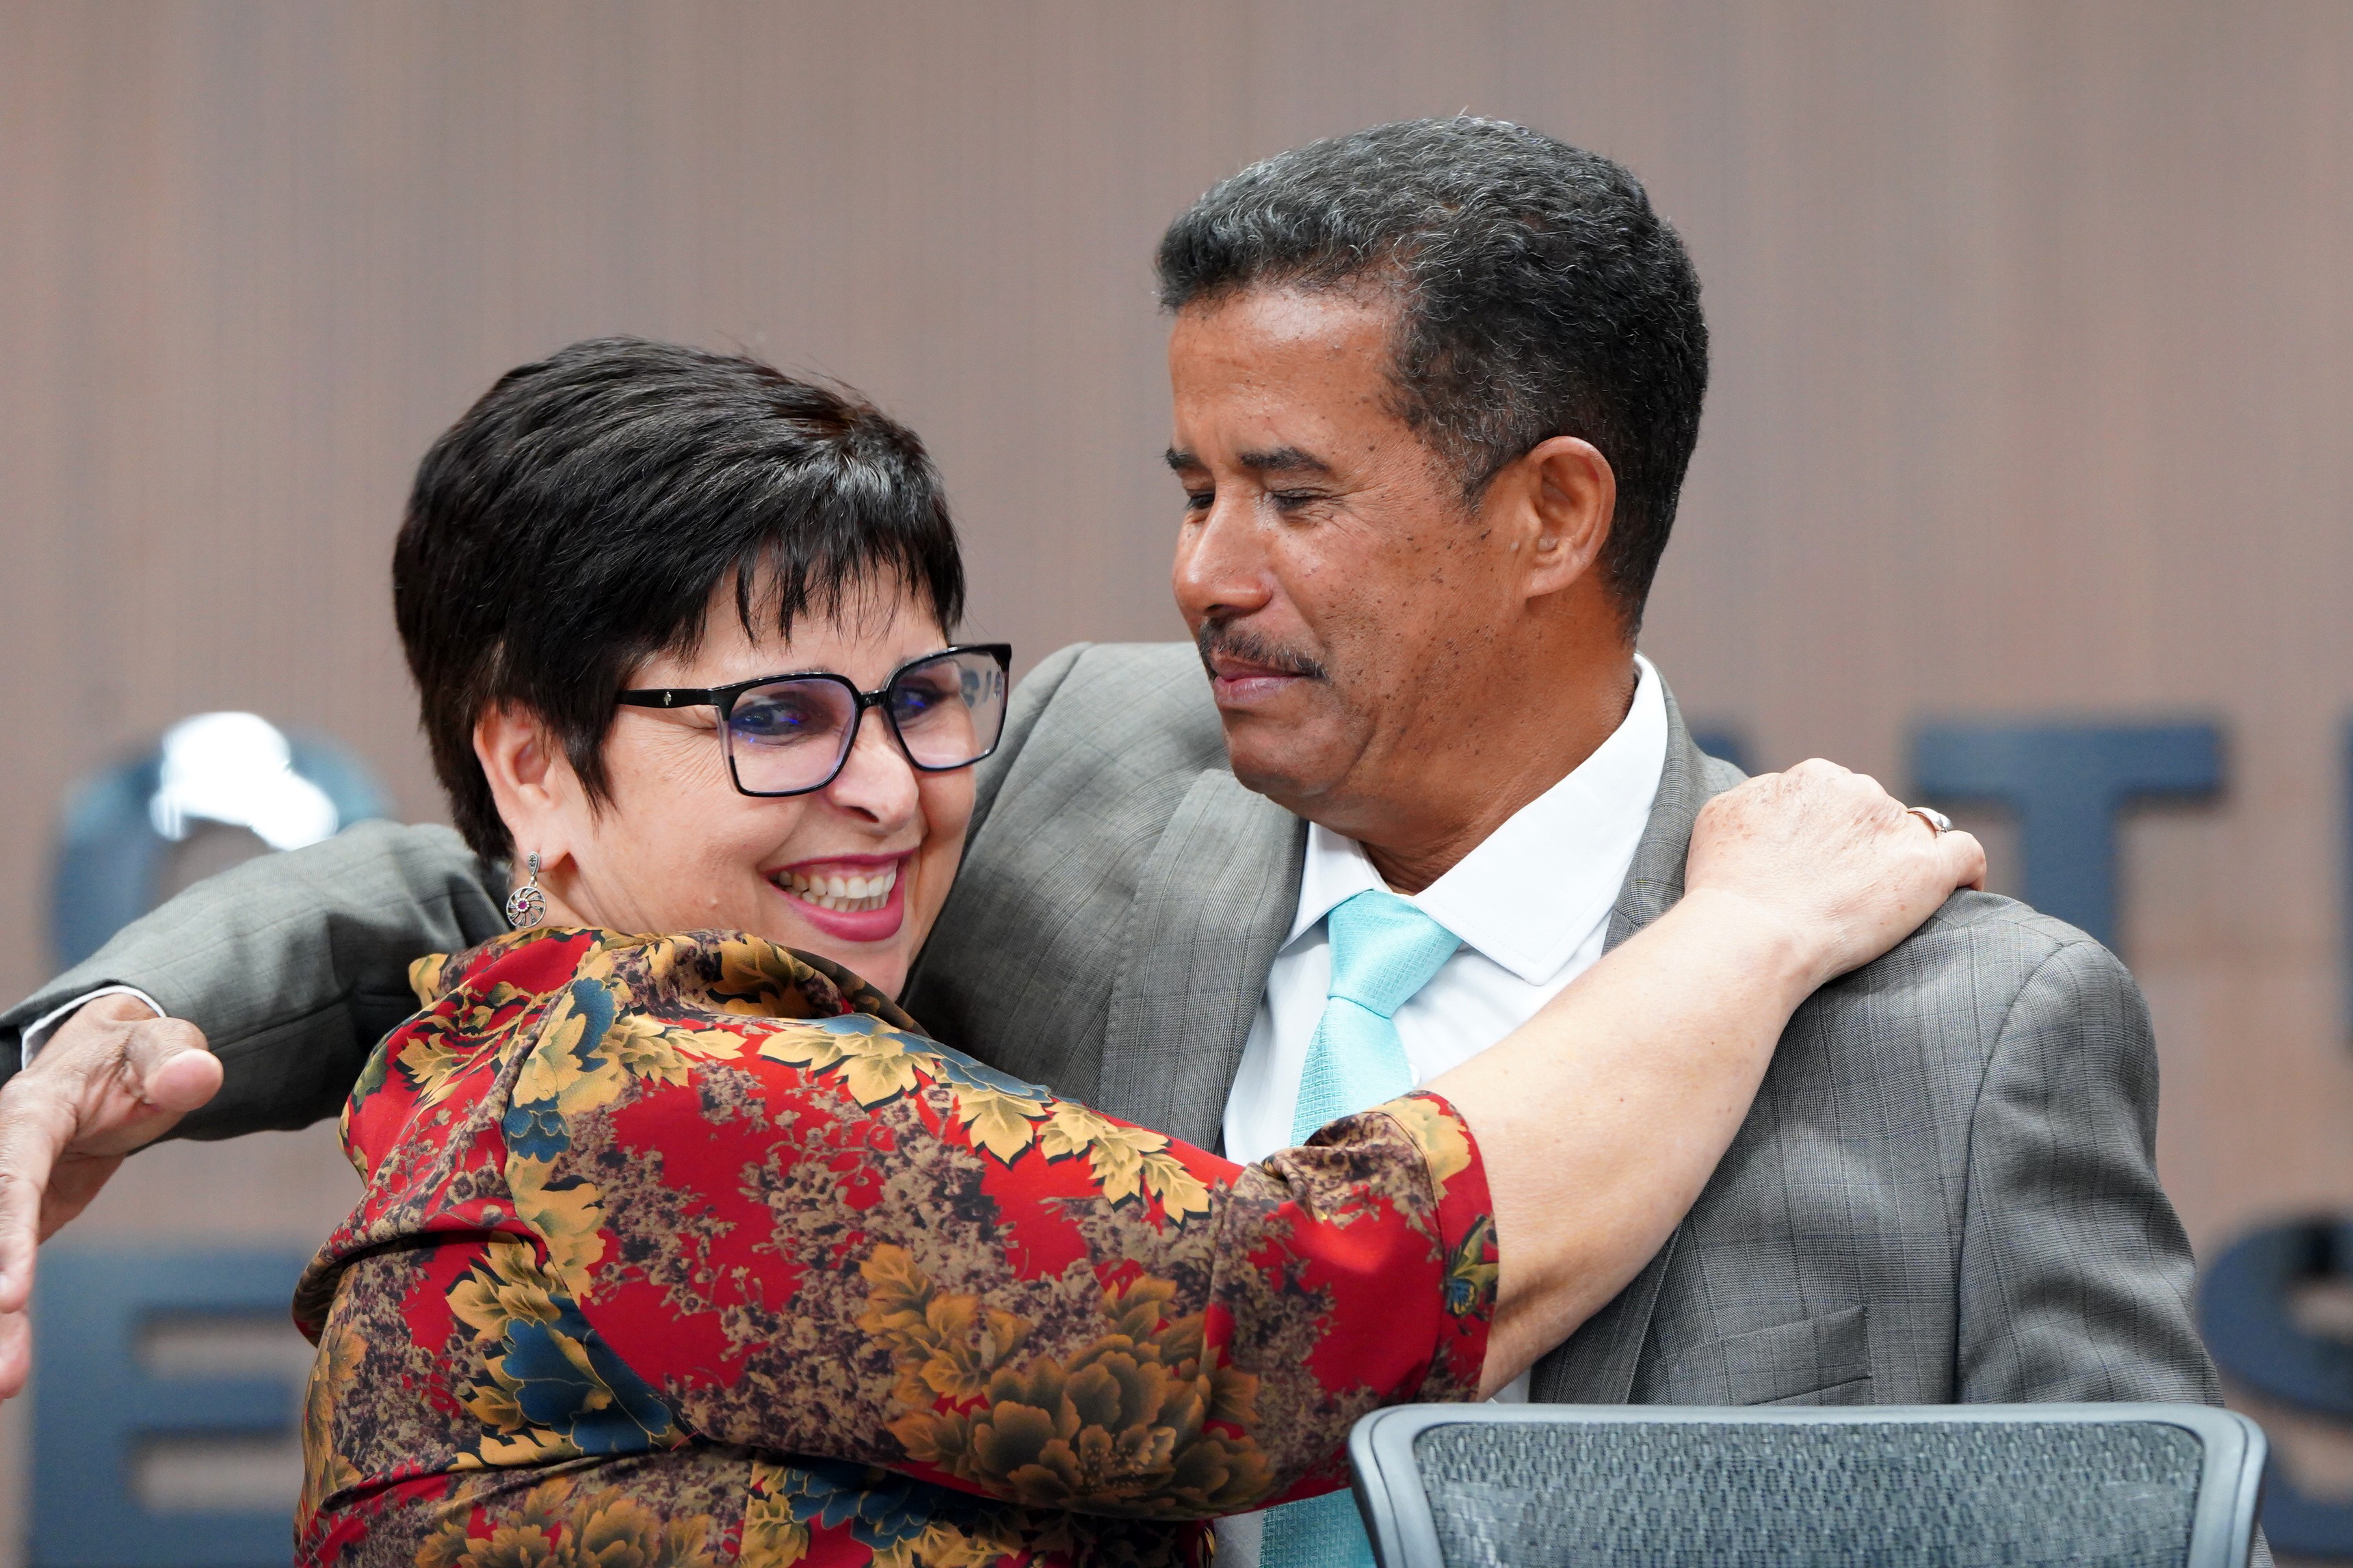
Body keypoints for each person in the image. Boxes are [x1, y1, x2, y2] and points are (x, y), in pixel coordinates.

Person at [0, 118, 2239, 1567]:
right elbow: (493, 891)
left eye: (1289, 491)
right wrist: (115, 1026)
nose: (1198, 572)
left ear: (1554, 510)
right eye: (1189, 486)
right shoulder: (1051, 792)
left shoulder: (1966, 1031)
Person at [277, 336, 1971, 1567]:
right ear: (530, 764)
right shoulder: (646, 1084)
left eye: (921, 698)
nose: (888, 789)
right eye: (779, 719)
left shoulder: (522, 1071)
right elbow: (1287, 1306)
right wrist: (1748, 928)